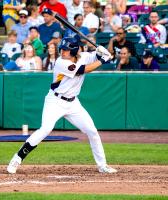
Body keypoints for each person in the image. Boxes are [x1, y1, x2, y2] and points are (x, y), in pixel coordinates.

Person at [7, 36, 118, 174]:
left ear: (73, 51)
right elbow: (83, 70)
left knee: (92, 131)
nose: (62, 52)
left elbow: (99, 54)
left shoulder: (83, 56)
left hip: (73, 103)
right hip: (55, 101)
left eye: (65, 50)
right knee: (45, 129)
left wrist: (102, 51)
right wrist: (102, 59)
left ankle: (102, 165)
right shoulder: (61, 62)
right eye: (62, 49)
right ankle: (17, 159)